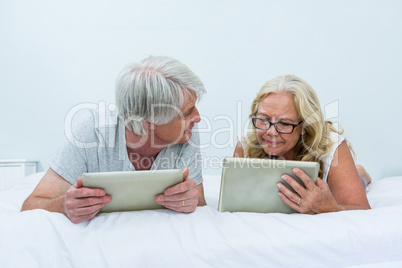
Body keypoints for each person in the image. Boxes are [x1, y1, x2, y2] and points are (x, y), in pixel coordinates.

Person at [22, 56, 207, 223]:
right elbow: (32, 204)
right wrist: (62, 205)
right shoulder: (92, 132)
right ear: (150, 121)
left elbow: (199, 201)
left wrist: (191, 200)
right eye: (186, 113)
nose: (198, 117)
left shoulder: (185, 134)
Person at [233, 74, 371, 214]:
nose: (271, 132)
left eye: (284, 123)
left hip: (335, 180)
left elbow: (361, 209)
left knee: (359, 179)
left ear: (305, 127)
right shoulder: (247, 143)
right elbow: (232, 199)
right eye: (263, 119)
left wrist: (330, 209)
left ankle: (360, 173)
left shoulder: (331, 145)